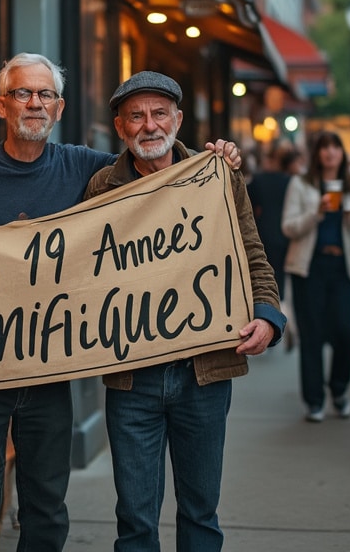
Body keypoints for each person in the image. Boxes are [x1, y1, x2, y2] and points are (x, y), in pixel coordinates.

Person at [0, 55, 244, 551]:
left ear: (59, 108)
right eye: (22, 94)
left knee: (47, 510)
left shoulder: (90, 170)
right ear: (1, 104)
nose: (34, 103)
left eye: (44, 95)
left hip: (51, 373)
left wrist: (217, 165)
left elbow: (160, 179)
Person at [83, 70, 284, 552]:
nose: (149, 125)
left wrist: (268, 314)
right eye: (136, 116)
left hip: (205, 373)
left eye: (158, 114)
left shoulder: (216, 173)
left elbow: (251, 251)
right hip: (133, 378)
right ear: (120, 126)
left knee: (201, 512)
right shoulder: (102, 187)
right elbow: (83, 274)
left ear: (176, 118)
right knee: (134, 519)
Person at [281, 130, 350, 422]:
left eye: (335, 147)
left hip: (343, 268)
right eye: (324, 147)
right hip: (309, 268)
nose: (330, 153)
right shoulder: (301, 184)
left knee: (349, 335)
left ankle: (338, 389)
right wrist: (316, 212)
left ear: (342, 153)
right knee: (312, 337)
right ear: (316, 154)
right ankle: (314, 400)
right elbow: (288, 227)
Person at [247, 145, 294, 306]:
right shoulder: (289, 181)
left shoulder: (258, 179)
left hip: (262, 232)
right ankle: (277, 306)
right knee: (279, 277)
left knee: (262, 271)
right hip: (282, 234)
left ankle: (267, 306)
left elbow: (249, 207)